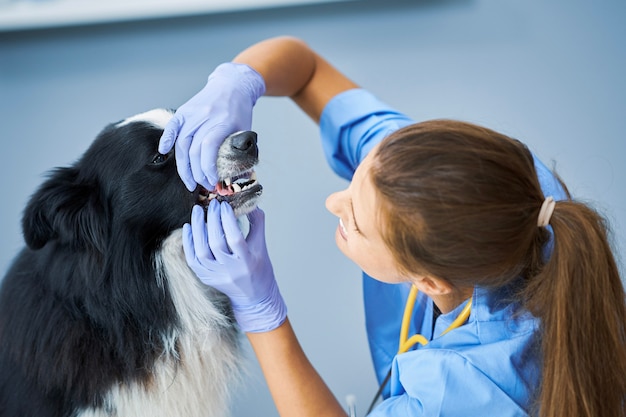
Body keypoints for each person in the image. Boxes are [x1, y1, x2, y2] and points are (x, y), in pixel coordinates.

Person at [158, 36, 626, 417]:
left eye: (355, 222)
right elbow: (305, 68)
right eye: (356, 180)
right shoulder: (452, 182)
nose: (332, 202)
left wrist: (262, 313)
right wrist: (238, 80)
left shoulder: (463, 391)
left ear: (427, 281)